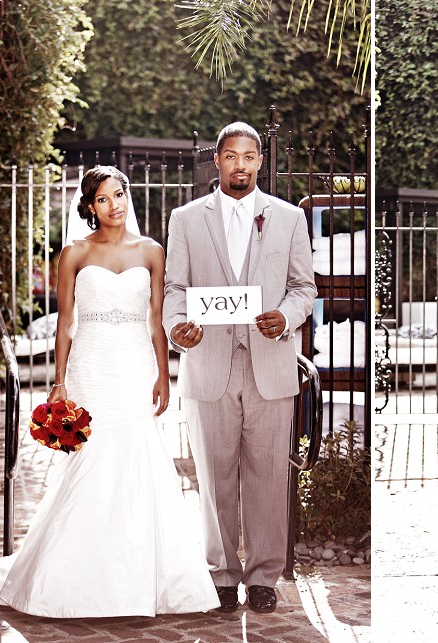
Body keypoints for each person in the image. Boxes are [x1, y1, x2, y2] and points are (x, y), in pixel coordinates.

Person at [0, 166, 220, 617]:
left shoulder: (152, 251)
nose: (115, 204)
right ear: (89, 206)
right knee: (91, 463)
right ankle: (73, 578)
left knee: (138, 461)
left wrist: (165, 374)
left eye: (120, 194)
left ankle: (139, 580)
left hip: (135, 367)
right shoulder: (74, 253)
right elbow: (66, 323)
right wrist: (60, 379)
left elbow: (156, 319)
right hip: (91, 367)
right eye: (103, 198)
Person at [163, 122, 316, 613]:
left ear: (260, 163)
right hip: (209, 366)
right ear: (218, 160)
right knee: (213, 477)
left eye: (250, 157)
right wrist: (177, 326)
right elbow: (174, 291)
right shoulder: (186, 219)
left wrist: (286, 318)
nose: (241, 165)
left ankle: (265, 577)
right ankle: (222, 574)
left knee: (269, 476)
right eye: (232, 156)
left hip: (271, 366)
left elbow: (303, 288)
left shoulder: (289, 218)